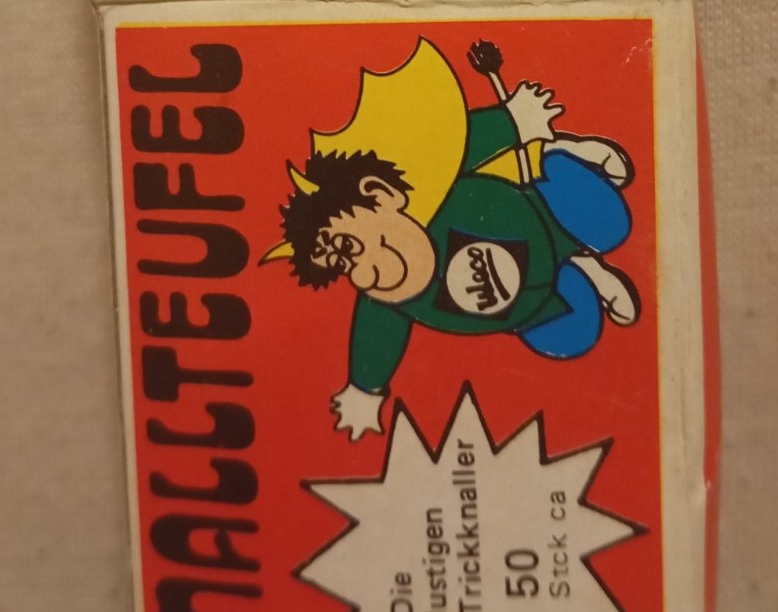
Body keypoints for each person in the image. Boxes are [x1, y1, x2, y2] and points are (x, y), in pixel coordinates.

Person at [265, 39, 640, 440]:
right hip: (531, 303)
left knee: (611, 223)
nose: (359, 272)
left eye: (350, 248)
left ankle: (560, 152)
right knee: (573, 336)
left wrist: (512, 121)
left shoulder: (432, 185)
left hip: (546, 212)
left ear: (380, 195)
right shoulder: (390, 301)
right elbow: (375, 344)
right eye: (343, 266)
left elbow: (458, 144)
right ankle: (584, 267)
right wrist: (364, 390)